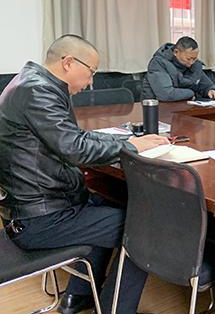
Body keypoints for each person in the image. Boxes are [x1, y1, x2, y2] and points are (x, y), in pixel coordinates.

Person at [0, 34, 169, 314]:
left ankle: (78, 297)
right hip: (40, 219)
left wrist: (127, 141)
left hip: (40, 207)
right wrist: (131, 146)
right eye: (90, 71)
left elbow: (74, 137)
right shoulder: (38, 91)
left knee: (107, 203)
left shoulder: (31, 83)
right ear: (68, 62)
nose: (91, 81)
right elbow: (75, 148)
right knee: (144, 229)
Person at [142, 36, 215, 102]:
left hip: (186, 107)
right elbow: (166, 94)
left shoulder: (195, 64)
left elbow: (206, 85)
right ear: (176, 52)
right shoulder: (158, 63)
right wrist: (191, 93)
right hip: (157, 109)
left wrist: (211, 90)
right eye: (188, 59)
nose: (191, 63)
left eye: (194, 59)